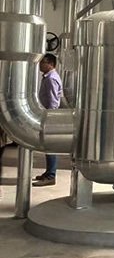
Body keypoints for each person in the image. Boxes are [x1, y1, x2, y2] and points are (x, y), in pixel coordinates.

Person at [33, 53, 62, 187]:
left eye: (42, 63)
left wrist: (50, 118)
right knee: (47, 146)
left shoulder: (51, 79)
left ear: (50, 64)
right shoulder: (48, 77)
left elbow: (53, 101)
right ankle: (48, 172)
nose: (40, 65)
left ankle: (51, 175)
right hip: (47, 115)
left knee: (50, 146)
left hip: (49, 116)